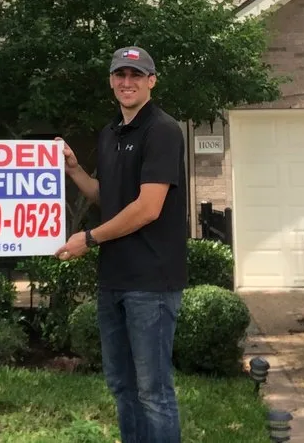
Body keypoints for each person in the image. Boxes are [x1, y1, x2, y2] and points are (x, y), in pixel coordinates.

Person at [55, 46, 188, 443]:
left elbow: (147, 208)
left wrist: (89, 238)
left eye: (136, 75)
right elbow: (108, 196)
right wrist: (75, 170)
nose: (127, 82)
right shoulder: (110, 132)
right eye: (120, 75)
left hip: (151, 282)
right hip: (113, 279)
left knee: (153, 393)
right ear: (111, 80)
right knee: (121, 386)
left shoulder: (162, 130)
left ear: (152, 81)